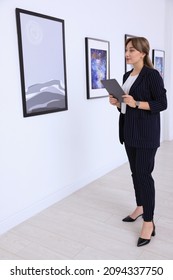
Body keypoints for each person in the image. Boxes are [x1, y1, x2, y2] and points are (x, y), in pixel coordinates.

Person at [109, 37, 167, 247]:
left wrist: (136, 102)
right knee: (135, 173)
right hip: (128, 132)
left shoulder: (152, 75)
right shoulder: (127, 75)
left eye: (132, 50)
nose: (127, 53)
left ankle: (149, 222)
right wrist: (117, 103)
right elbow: (126, 106)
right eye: (126, 50)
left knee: (144, 176)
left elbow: (162, 103)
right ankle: (140, 206)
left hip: (145, 135)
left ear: (143, 53)